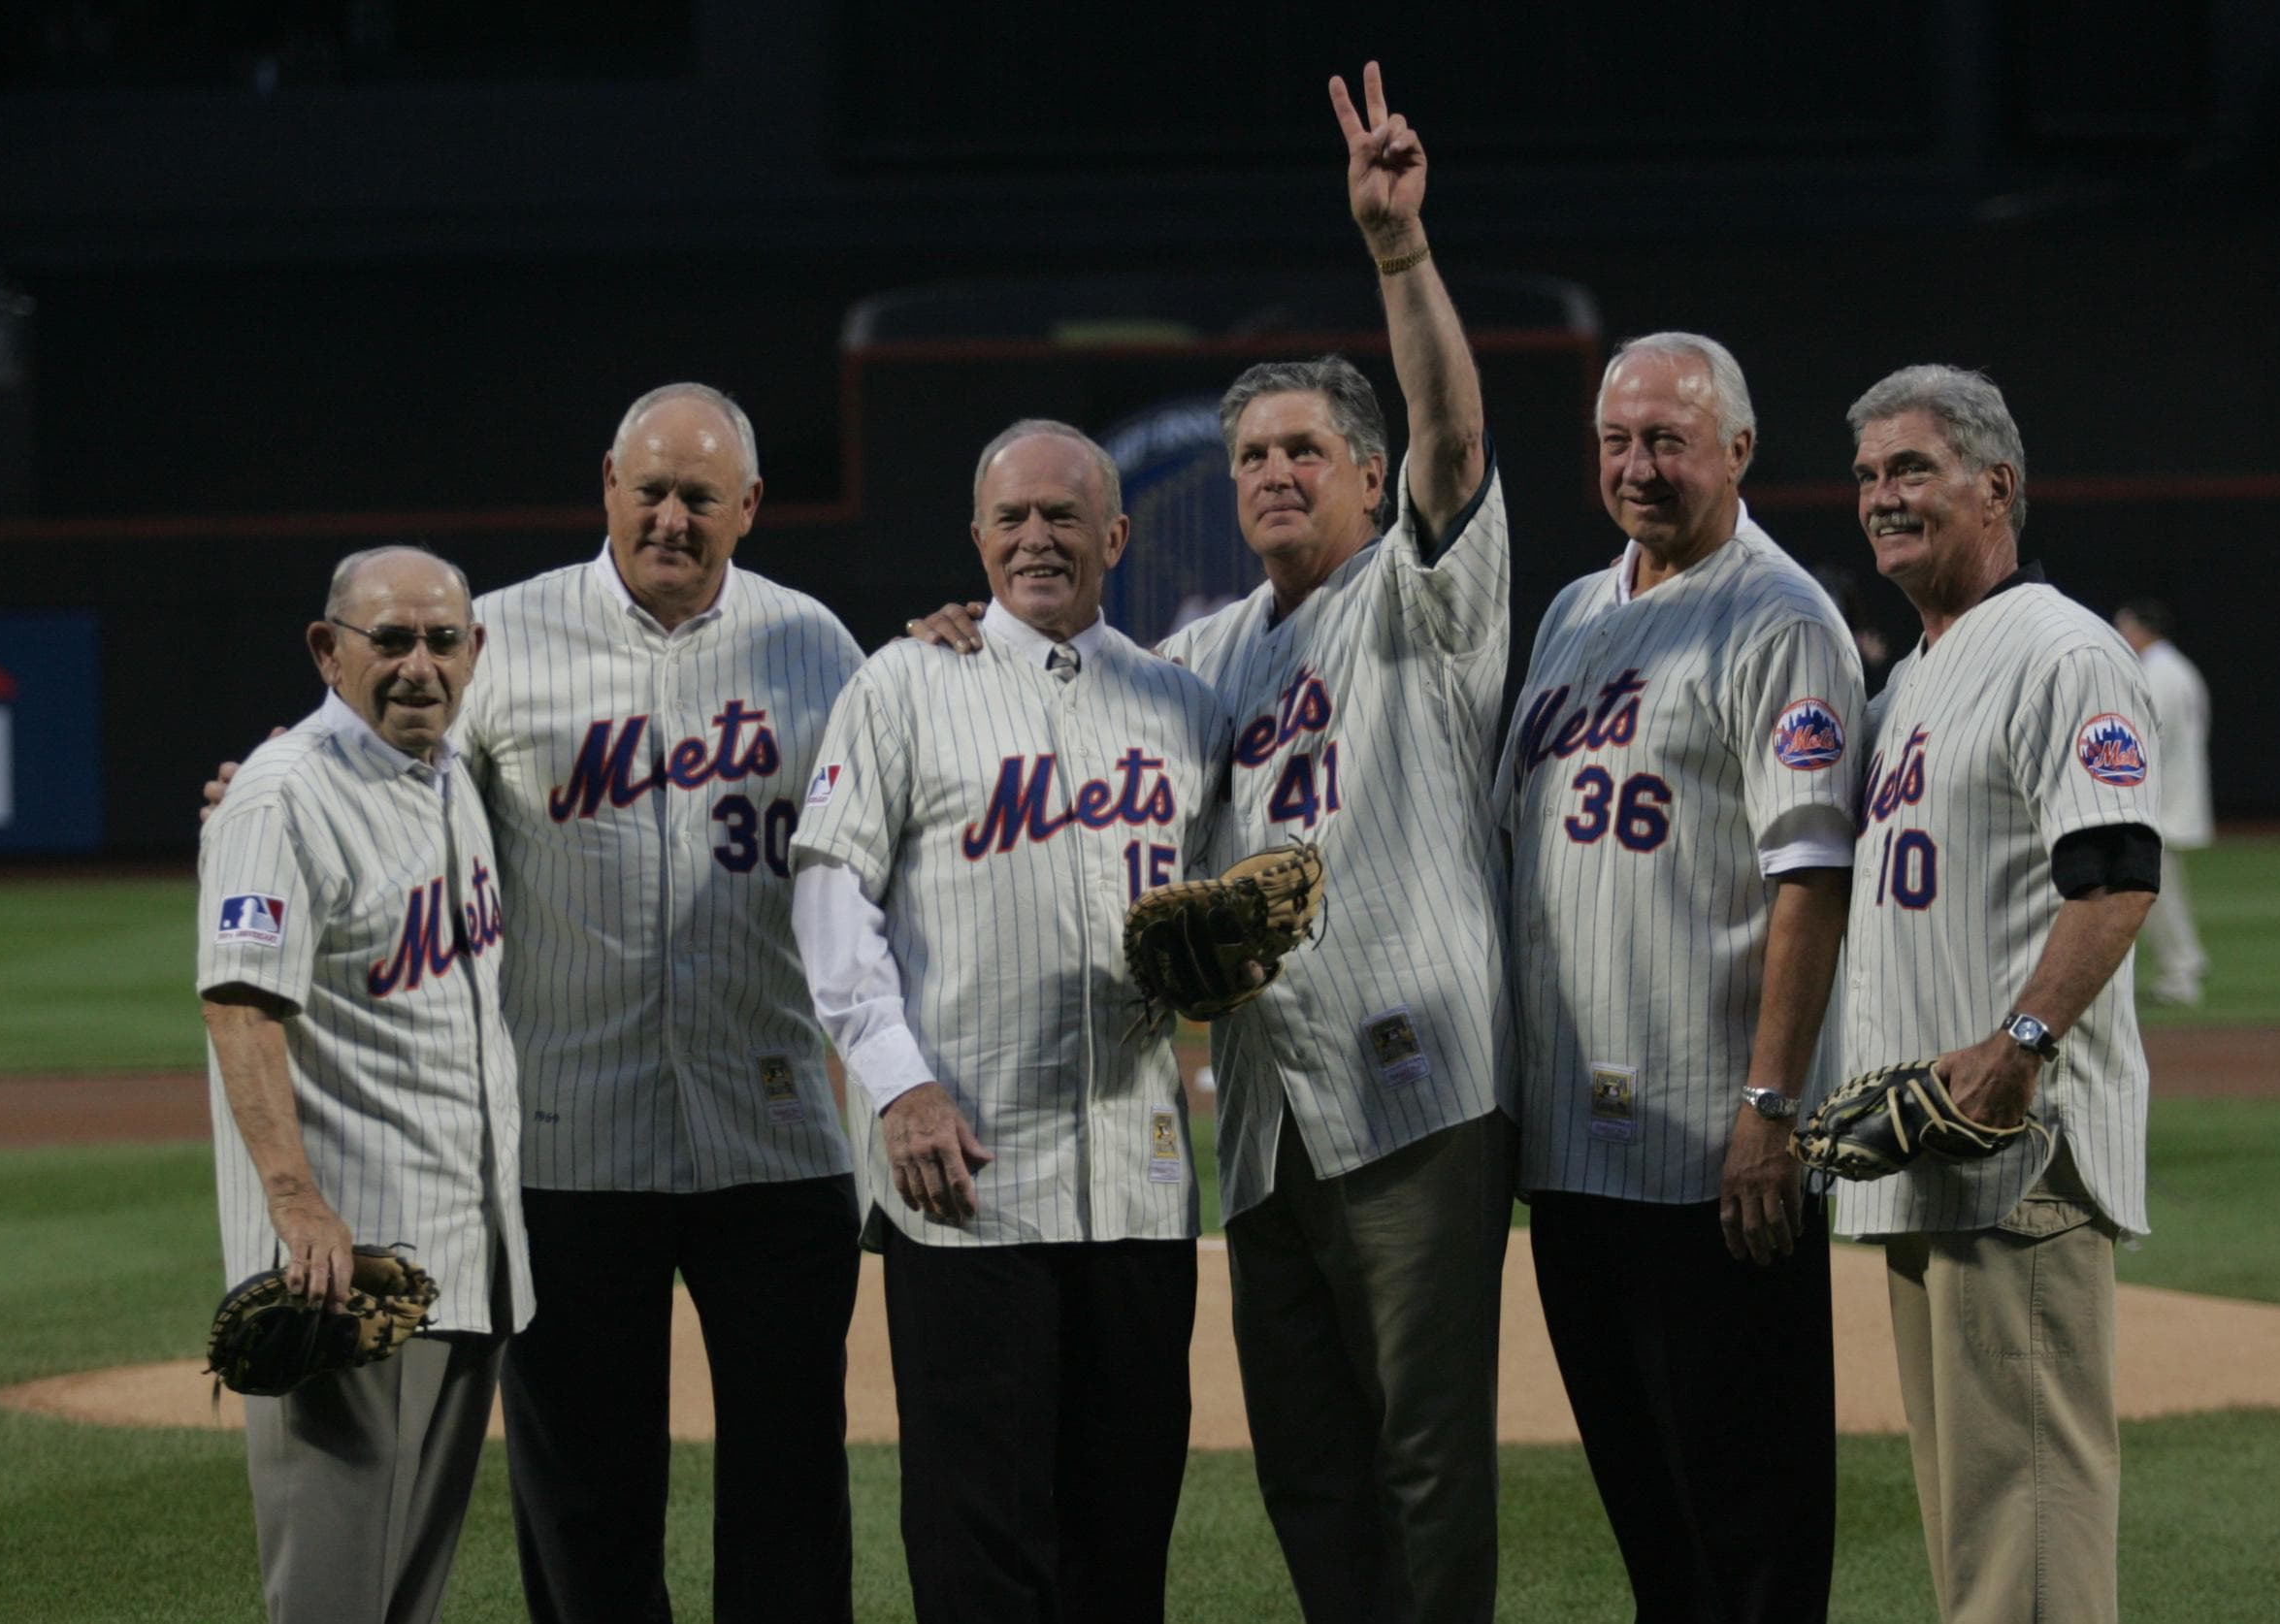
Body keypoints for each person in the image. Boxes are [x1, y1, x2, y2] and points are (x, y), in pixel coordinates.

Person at [902, 66, 1514, 1622]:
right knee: (1308, 1456)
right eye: (1249, 456)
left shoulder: (1423, 592)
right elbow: (1077, 730)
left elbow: (1453, 430)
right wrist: (976, 641)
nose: (1273, 475)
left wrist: (1398, 255)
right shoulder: (1201, 654)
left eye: (1306, 450)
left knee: (1428, 1451)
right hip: (1260, 1115)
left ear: (1369, 476)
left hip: (1416, 1092)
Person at [208, 384, 865, 1624]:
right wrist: (268, 784)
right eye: (649, 491)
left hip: (772, 1134)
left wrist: (956, 644)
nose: (670, 518)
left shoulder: (816, 645)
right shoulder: (493, 640)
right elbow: (386, 770)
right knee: (585, 1509)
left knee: (791, 1489)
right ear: (607, 486)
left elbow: (894, 801)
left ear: (751, 509)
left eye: (700, 498)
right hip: (570, 1151)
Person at [789, 420, 1233, 1624]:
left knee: (1123, 1535)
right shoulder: (900, 685)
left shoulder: (1181, 706)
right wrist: (898, 1085)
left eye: (1064, 517)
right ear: (977, 539)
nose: (1037, 539)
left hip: (1138, 1188)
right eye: (1012, 519)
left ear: (1116, 535)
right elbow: (830, 900)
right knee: (977, 1538)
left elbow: (1219, 929)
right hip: (967, 1178)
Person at [1505, 333, 1862, 1623]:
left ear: (1739, 450)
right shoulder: (1570, 612)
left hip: (1713, 1151)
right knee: (1651, 1522)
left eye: (1668, 438)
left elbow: (1810, 874)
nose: (1639, 465)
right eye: (1617, 440)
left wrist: (1772, 1108)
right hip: (1573, 1151)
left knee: (1749, 1527)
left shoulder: (1781, 618)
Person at [1835, 366, 2159, 1624]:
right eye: (1866, 476)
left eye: (1910, 469)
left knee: (2024, 1513)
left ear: (1997, 485)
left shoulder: (2059, 648)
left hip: (2018, 1155)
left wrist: (2022, 1041)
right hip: (1928, 1150)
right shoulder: (1915, 673)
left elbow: (2117, 873)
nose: (1881, 497)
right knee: (1977, 1519)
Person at [198, 544, 536, 1624]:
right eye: (389, 640)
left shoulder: (451, 776)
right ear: (328, 650)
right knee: (337, 1599)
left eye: (442, 640)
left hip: (464, 1255)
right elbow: (240, 1007)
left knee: (405, 1599)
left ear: (474, 651)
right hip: (348, 1270)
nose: (418, 665)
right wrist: (294, 1206)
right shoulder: (284, 795)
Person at [2113, 599, 2212, 1005]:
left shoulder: (2157, 672)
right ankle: (2187, 962)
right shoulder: (2178, 668)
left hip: (2160, 800)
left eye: (2123, 626)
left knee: (2154, 894)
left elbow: (2146, 740)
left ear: (2141, 629)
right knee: (2159, 891)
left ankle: (2181, 975)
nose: (2119, 634)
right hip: (2174, 794)